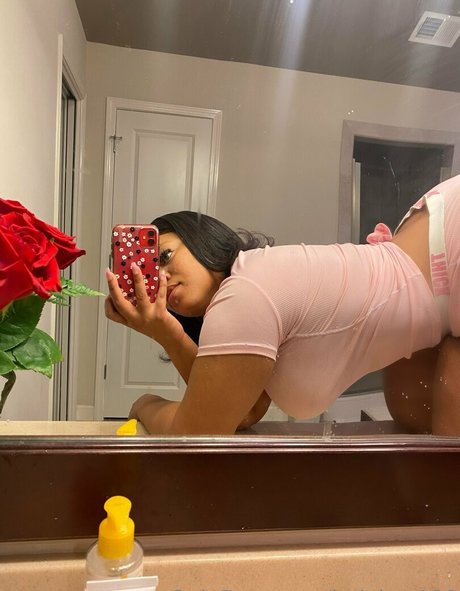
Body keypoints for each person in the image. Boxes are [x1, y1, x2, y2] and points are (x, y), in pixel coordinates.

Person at [105, 174, 460, 436]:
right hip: (436, 256)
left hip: (448, 239)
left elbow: (195, 434)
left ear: (201, 238)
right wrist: (167, 331)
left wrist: (143, 404)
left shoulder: (246, 291)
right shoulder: (243, 298)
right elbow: (243, 411)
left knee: (443, 478)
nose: (161, 278)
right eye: (149, 274)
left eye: (166, 256)